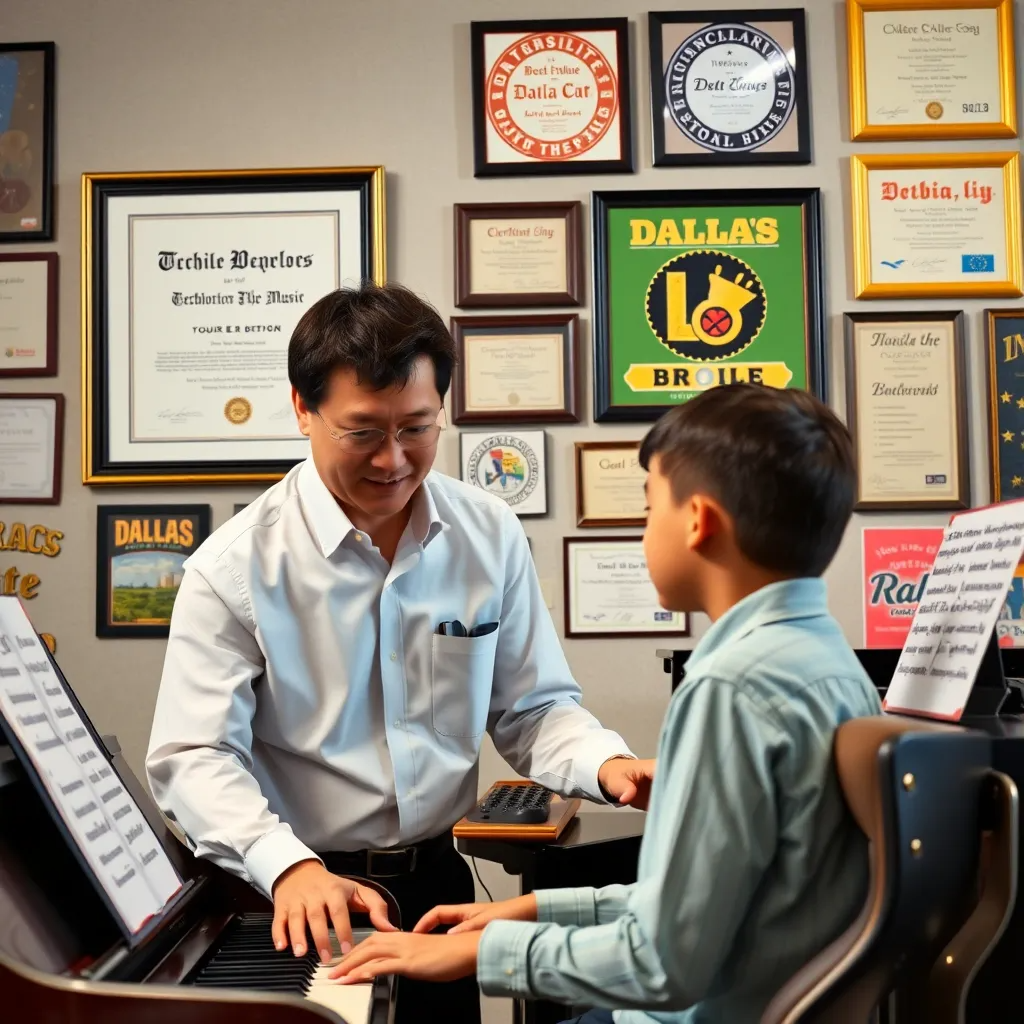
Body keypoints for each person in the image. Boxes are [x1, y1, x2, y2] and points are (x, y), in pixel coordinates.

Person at [145, 281, 652, 1024]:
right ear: (302, 409)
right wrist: (287, 866)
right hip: (304, 895)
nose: (393, 459)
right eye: (363, 431)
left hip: (434, 890)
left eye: (417, 427)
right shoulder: (234, 569)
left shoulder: (488, 534)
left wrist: (608, 765)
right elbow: (193, 755)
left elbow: (533, 708)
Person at [329, 383, 884, 1024]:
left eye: (650, 509)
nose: (644, 531)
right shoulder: (836, 670)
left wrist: (481, 955)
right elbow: (725, 904)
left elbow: (663, 961)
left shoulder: (729, 690)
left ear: (698, 522)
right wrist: (537, 909)